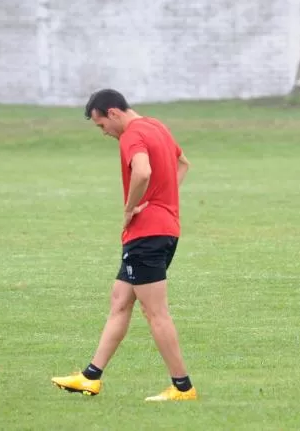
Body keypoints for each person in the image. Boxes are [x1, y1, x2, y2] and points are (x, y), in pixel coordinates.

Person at [52, 89, 197, 402]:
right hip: (162, 230)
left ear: (113, 113)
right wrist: (163, 199)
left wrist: (132, 207)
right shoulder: (156, 126)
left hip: (146, 235)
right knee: (120, 301)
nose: (104, 133)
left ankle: (183, 387)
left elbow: (143, 171)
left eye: (101, 125)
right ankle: (91, 377)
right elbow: (183, 164)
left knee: (155, 312)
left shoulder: (132, 135)